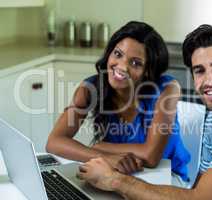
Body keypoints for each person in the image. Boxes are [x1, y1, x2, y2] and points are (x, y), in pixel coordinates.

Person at [76, 24, 212, 200]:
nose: (209, 80)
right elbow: (199, 188)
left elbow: (203, 198)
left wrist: (114, 181)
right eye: (200, 71)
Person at [46, 21, 191, 185]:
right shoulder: (90, 88)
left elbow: (150, 156)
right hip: (119, 173)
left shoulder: (168, 89)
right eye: (118, 54)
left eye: (136, 63)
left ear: (148, 71)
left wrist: (100, 146)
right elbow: (54, 142)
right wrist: (104, 157)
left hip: (168, 180)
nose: (122, 66)